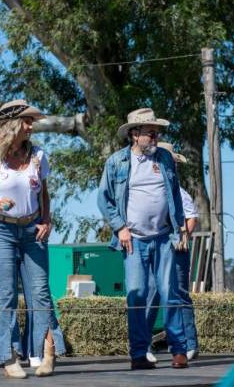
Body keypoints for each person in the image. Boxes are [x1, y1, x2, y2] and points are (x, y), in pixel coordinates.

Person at [0, 99, 65, 378]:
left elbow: (43, 194)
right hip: (0, 229)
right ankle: (9, 357)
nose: (31, 126)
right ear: (13, 125)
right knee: (8, 294)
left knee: (41, 293)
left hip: (32, 229)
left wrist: (46, 220)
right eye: (26, 121)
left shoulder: (38, 156)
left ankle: (48, 354)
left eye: (31, 121)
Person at [97, 108, 188, 370]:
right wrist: (119, 228)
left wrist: (179, 226)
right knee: (137, 297)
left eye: (156, 131)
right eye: (150, 131)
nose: (155, 135)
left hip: (163, 237)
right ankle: (138, 353)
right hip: (133, 240)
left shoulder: (166, 159)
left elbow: (175, 196)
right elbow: (104, 199)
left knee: (170, 293)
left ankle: (179, 351)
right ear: (135, 134)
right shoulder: (117, 162)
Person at [146, 142, 198, 363]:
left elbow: (191, 217)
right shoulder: (149, 191)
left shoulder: (180, 192)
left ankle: (188, 343)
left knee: (178, 294)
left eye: (171, 163)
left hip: (175, 248)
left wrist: (182, 236)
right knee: (150, 294)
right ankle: (144, 344)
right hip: (154, 245)